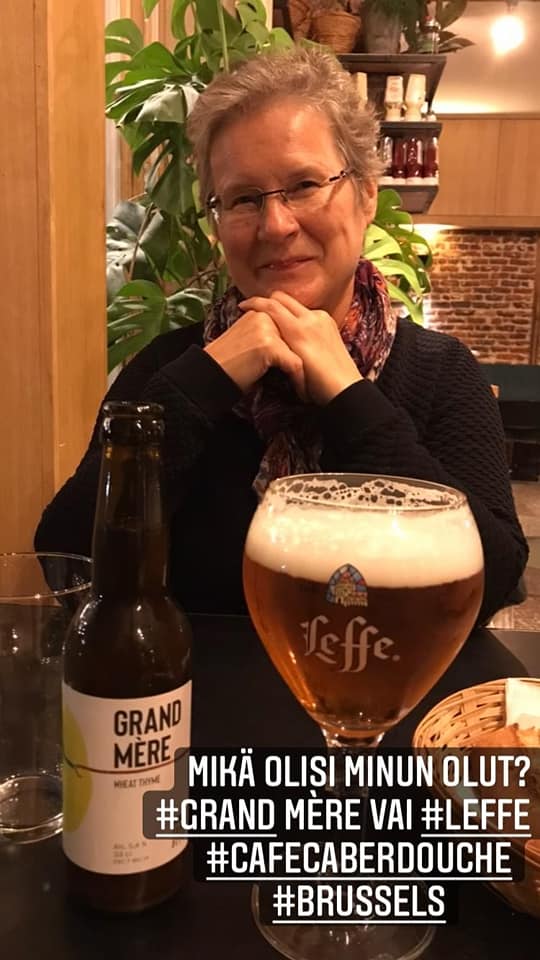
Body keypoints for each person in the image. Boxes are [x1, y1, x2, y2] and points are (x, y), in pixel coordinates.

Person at [35, 46, 527, 623]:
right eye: (244, 198)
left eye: (304, 184)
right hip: (201, 684)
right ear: (218, 221)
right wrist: (205, 382)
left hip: (393, 680)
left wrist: (350, 399)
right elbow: (68, 560)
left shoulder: (440, 373)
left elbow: (492, 578)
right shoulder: (169, 370)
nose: (275, 225)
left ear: (367, 193)